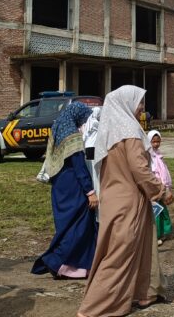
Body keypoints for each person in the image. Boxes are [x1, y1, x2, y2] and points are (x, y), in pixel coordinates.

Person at [78, 85, 167, 317]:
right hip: (129, 201)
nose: (142, 109)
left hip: (113, 199)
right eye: (139, 103)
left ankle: (143, 293)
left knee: (141, 246)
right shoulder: (130, 132)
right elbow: (140, 170)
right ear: (126, 104)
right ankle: (93, 308)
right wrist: (161, 191)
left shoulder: (110, 132)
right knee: (119, 254)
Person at [32, 102, 98, 278]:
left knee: (67, 226)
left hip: (60, 187)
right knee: (79, 226)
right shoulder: (73, 135)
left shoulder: (58, 127)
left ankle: (74, 268)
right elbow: (78, 166)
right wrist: (90, 192)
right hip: (73, 187)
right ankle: (57, 262)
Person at [147, 130, 173, 244]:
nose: (156, 144)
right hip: (155, 187)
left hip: (163, 186)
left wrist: (167, 186)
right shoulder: (148, 156)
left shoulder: (158, 154)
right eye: (153, 142)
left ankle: (165, 231)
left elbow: (164, 171)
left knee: (163, 210)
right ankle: (156, 235)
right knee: (156, 212)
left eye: (158, 141)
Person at [80, 106, 102, 198]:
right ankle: (96, 186)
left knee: (90, 166)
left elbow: (84, 136)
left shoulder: (88, 122)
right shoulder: (95, 122)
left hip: (88, 146)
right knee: (94, 167)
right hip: (93, 147)